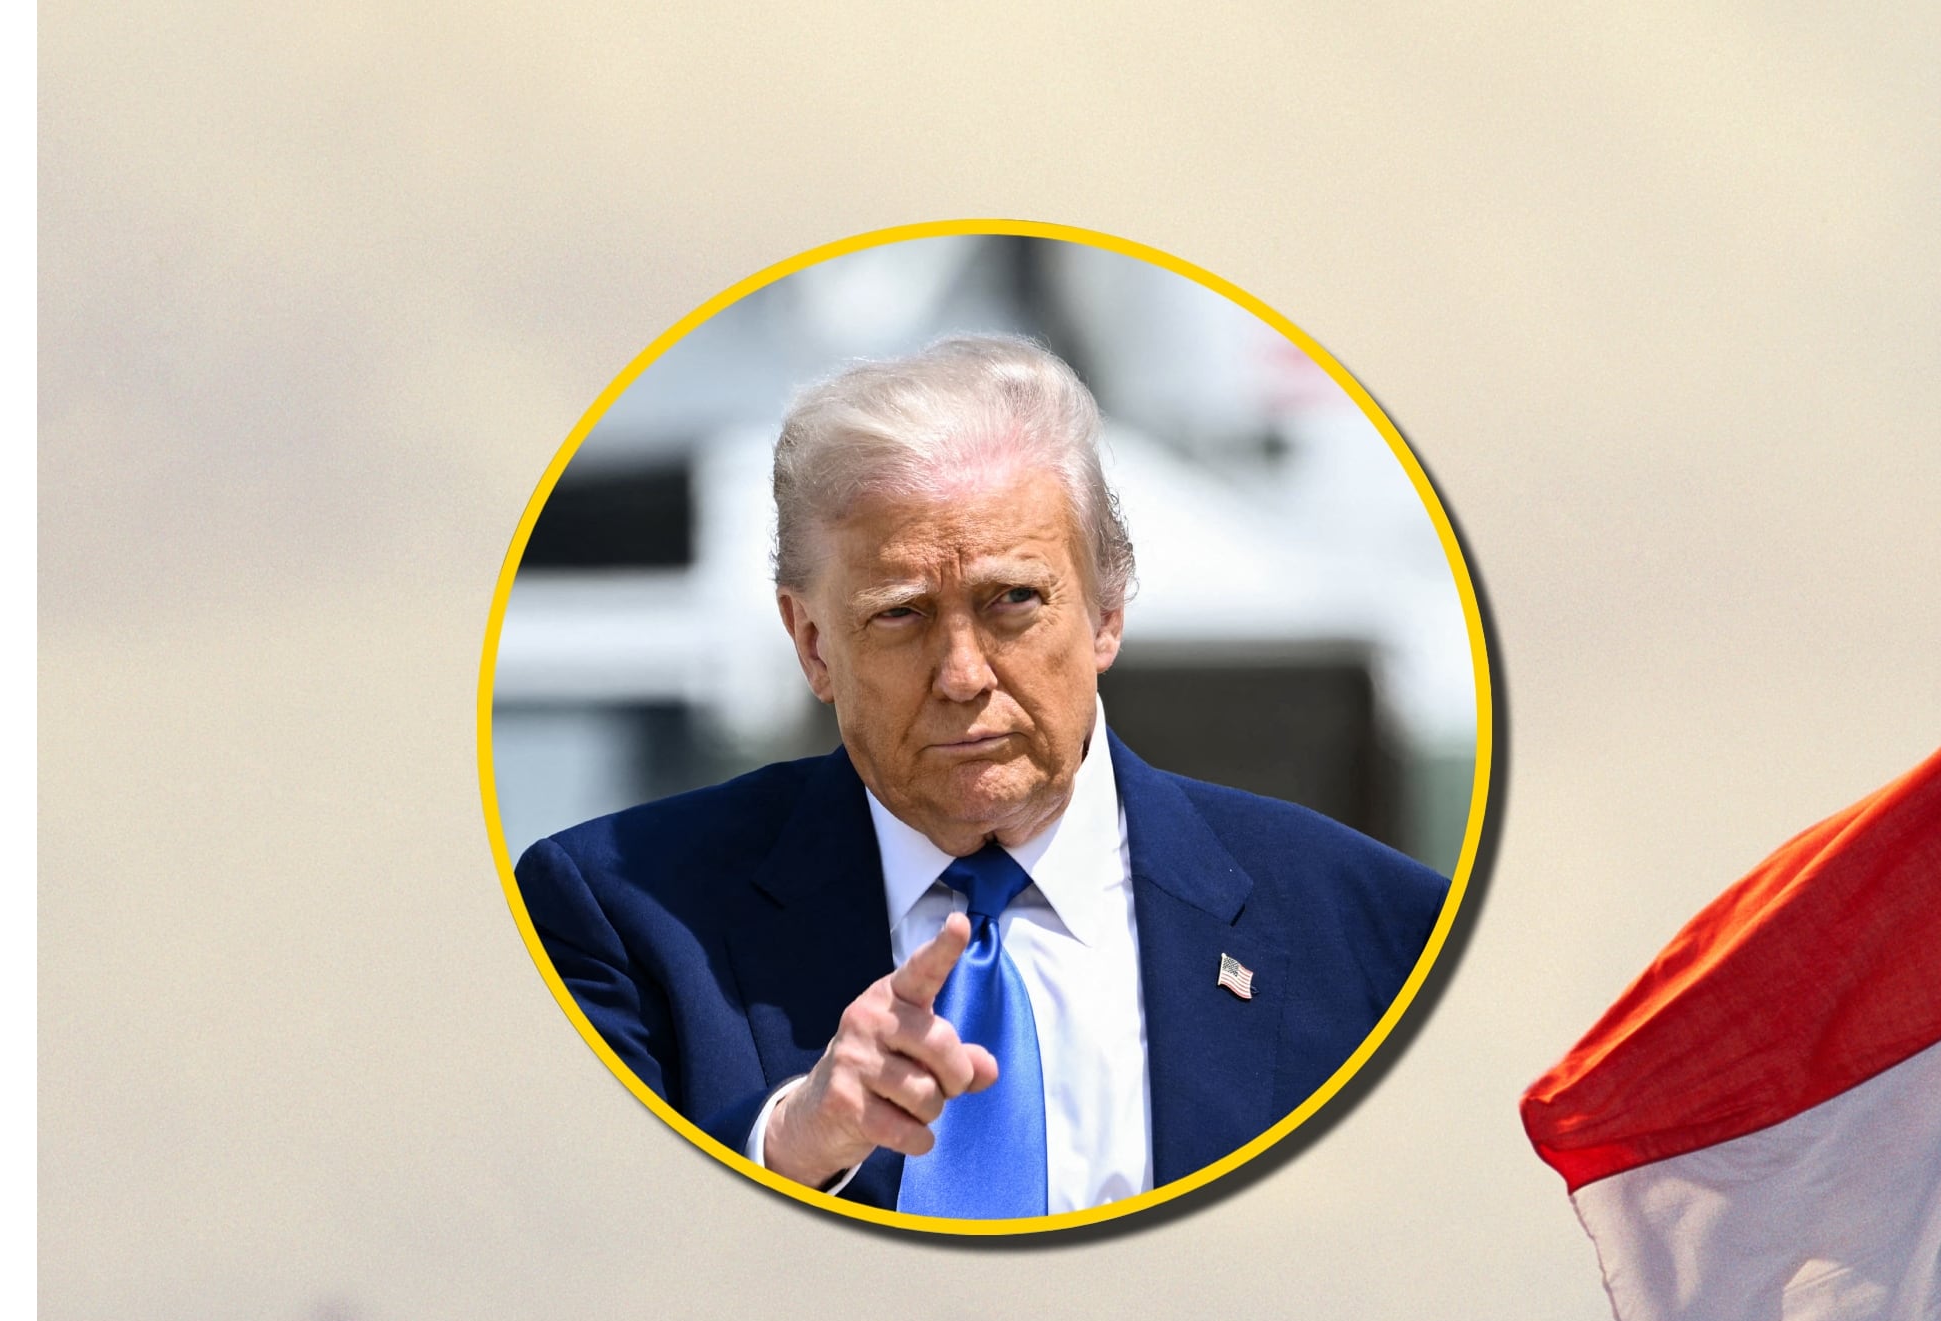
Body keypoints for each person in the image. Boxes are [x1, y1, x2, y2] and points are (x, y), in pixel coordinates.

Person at [516, 334, 1451, 1219]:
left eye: (1013, 602)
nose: (963, 674)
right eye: (902, 615)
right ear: (812, 643)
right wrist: (786, 1148)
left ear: (1107, 611)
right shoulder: (621, 917)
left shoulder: (1372, 932)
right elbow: (572, 1252)